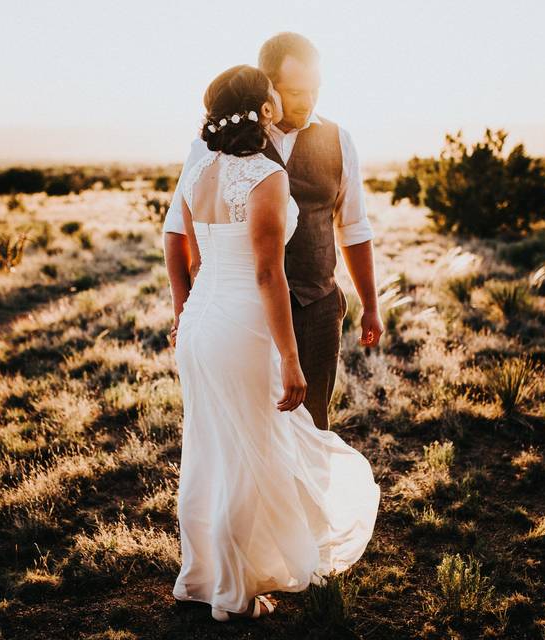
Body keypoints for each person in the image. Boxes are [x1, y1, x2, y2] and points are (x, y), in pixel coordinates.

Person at [168, 63, 380, 622]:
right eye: (271, 96)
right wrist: (290, 357)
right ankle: (234, 593)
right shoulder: (265, 175)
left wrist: (184, 313)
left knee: (210, 451)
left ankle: (200, 576)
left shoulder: (197, 170)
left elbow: (191, 252)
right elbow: (267, 276)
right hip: (241, 325)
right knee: (248, 456)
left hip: (198, 323)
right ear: (262, 110)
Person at [164, 31, 382, 431]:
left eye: (315, 89)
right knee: (247, 431)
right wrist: (184, 312)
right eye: (296, 91)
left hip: (316, 308)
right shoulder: (210, 147)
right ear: (270, 89)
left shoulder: (340, 140)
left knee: (313, 427)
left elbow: (353, 227)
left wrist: (371, 303)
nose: (308, 100)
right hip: (240, 315)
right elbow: (177, 232)